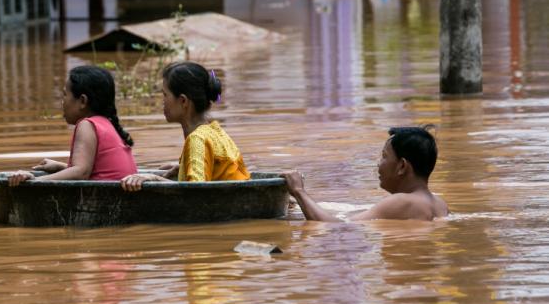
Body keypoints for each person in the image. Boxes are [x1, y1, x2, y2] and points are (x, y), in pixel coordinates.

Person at [120, 61, 249, 191]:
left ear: (183, 101)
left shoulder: (197, 140)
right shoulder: (215, 130)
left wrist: (154, 179)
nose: (162, 101)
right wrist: (183, 166)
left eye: (165, 95)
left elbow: (194, 192)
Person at [284, 126, 448, 221]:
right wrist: (300, 204)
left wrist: (299, 192)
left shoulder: (401, 201)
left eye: (384, 156)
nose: (379, 163)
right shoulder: (440, 204)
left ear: (402, 166)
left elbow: (335, 226)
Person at [8, 65, 137, 185]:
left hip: (107, 201)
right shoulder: (106, 124)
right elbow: (96, 170)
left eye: (65, 95)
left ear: (82, 101)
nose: (62, 102)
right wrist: (61, 166)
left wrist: (35, 180)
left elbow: (81, 173)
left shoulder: (87, 125)